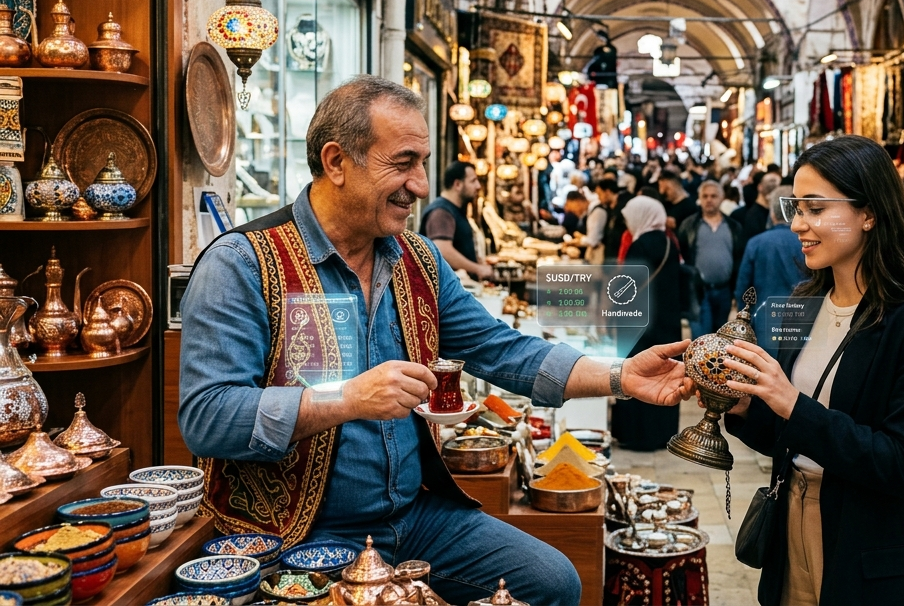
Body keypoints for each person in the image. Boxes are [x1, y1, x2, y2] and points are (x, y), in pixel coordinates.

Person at [179, 77, 692, 606]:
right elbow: (207, 417)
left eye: (423, 163)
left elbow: (504, 350)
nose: (421, 185)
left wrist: (619, 376)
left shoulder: (416, 260)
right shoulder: (243, 263)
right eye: (402, 163)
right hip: (300, 533)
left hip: (415, 516)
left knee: (553, 581)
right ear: (336, 162)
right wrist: (346, 399)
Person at [720, 135, 904, 605]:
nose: (799, 225)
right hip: (792, 520)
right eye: (796, 208)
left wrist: (791, 403)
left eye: (815, 209)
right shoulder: (804, 302)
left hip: (868, 540)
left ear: (869, 214)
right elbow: (791, 434)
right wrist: (748, 406)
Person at [610, 196, 685, 451]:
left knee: (635, 375)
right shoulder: (669, 243)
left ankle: (636, 435)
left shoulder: (640, 245)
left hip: (639, 327)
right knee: (665, 375)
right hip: (666, 324)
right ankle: (662, 434)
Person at [679, 180, 746, 336]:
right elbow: (683, 258)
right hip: (698, 292)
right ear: (700, 199)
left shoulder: (734, 227)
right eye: (705, 196)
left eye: (713, 196)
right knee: (701, 337)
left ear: (721, 198)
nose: (709, 200)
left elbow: (738, 259)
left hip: (724, 291)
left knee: (720, 337)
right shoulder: (688, 226)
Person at [735, 185, 807, 307]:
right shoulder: (807, 242)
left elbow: (743, 288)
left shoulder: (755, 243)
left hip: (764, 316)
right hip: (803, 315)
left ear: (772, 213)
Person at [420, 160, 493, 281]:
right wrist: (477, 268)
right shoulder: (441, 212)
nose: (478, 186)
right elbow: (442, 249)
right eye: (473, 181)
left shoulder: (454, 210)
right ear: (458, 184)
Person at [731, 169, 781, 242]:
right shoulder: (753, 216)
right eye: (770, 184)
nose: (772, 186)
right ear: (759, 187)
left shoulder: (754, 213)